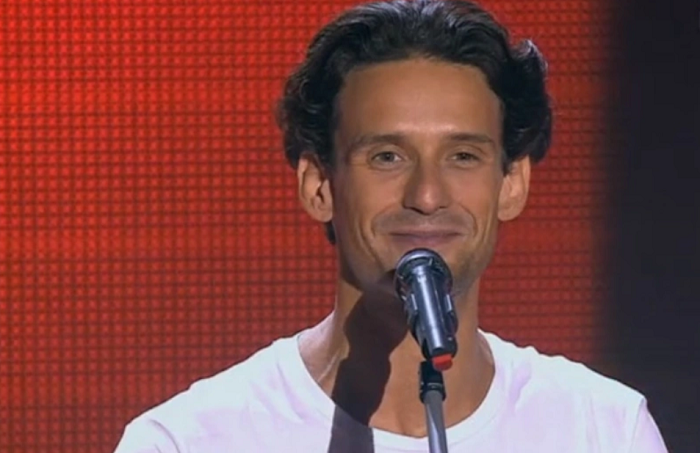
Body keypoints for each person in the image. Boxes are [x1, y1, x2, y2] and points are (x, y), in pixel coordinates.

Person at [114, 1, 668, 451]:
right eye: (387, 157)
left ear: (512, 183)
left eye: (463, 156)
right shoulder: (187, 441)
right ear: (319, 185)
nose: (426, 196)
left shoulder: (603, 431)